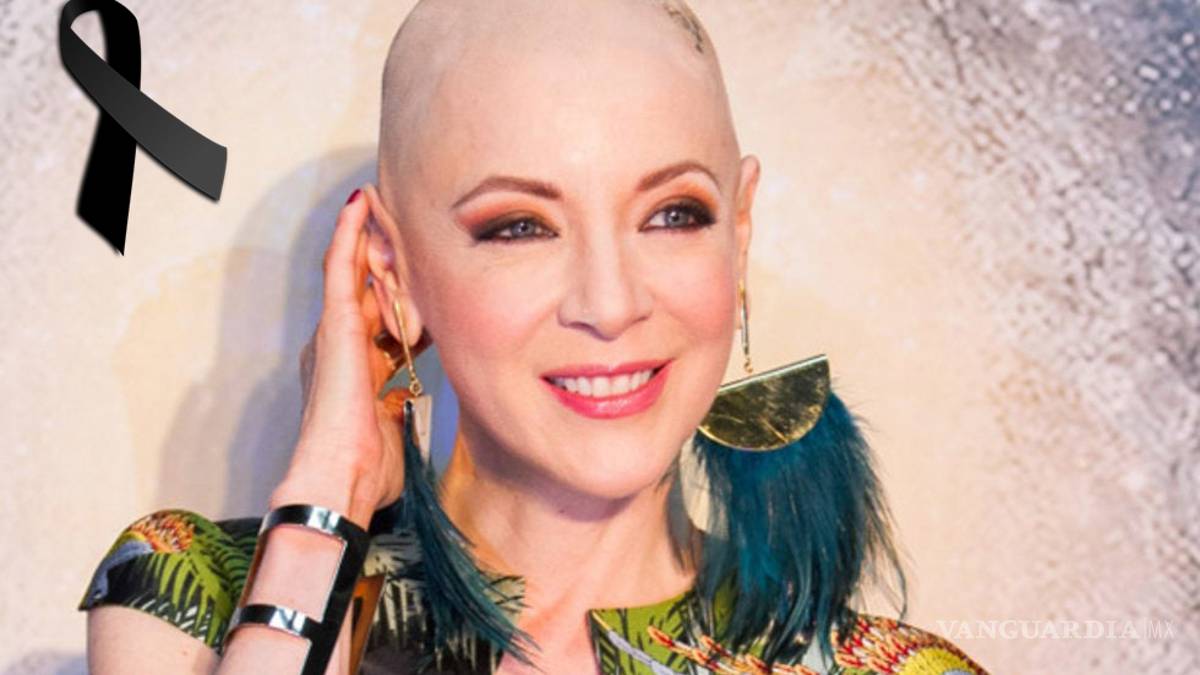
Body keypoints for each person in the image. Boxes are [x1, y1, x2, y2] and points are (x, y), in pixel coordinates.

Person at [79, 1, 989, 673]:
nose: (610, 302)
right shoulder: (192, 596)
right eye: (520, 226)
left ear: (739, 232)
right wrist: (331, 496)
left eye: (674, 213)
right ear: (390, 267)